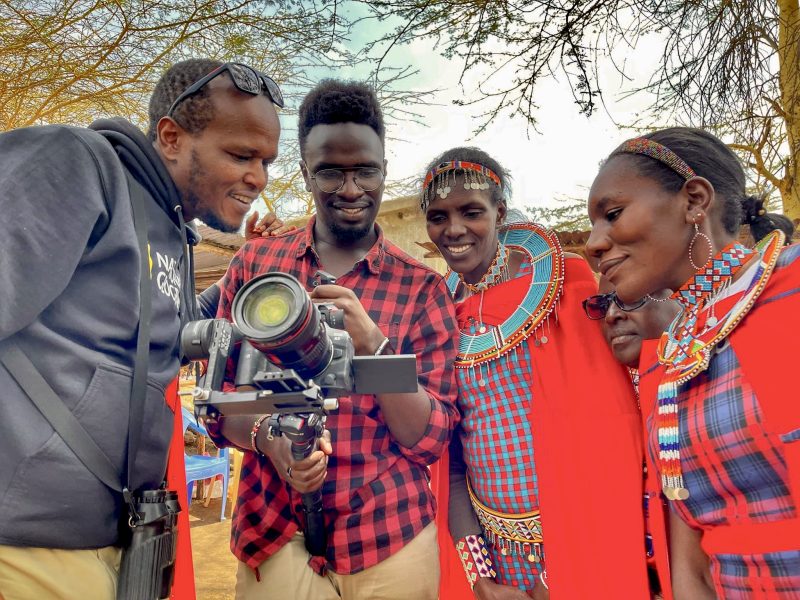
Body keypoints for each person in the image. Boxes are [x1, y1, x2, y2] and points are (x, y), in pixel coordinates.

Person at [0, 58, 282, 599]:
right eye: (241, 154)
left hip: (106, 540)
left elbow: (169, 333)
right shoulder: (78, 164)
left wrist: (248, 269)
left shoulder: (171, 229)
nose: (258, 177)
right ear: (172, 138)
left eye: (266, 160)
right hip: (24, 549)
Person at [205, 79, 460, 600]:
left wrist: (375, 346)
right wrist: (270, 443)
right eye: (330, 171)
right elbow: (218, 401)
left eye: (365, 170)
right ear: (305, 173)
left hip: (389, 536)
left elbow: (430, 438)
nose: (350, 189)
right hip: (275, 532)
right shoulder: (256, 267)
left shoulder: (422, 288)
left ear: (384, 169)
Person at [424, 147, 651, 599]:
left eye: (472, 212)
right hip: (490, 547)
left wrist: (552, 584)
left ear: (500, 211)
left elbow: (609, 425)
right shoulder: (438, 312)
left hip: (584, 542)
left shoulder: (567, 283)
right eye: (438, 216)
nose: (454, 230)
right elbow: (450, 458)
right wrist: (480, 577)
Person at [586, 126, 800, 598]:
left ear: (694, 200)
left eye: (613, 214)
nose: (594, 243)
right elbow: (692, 559)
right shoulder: (673, 353)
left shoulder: (791, 289)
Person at [584, 278, 681, 599]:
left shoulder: (707, 383)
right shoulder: (592, 402)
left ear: (681, 294)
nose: (612, 314)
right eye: (603, 304)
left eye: (630, 298)